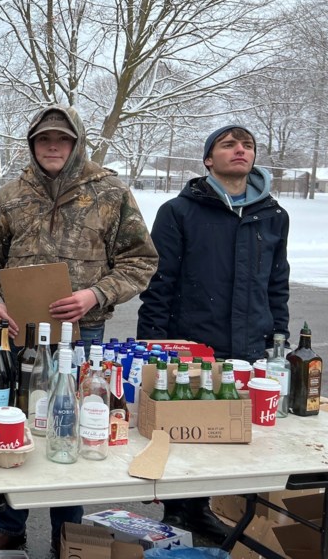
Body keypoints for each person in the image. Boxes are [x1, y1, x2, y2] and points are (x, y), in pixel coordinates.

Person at [0, 105, 158, 553]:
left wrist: (97, 294)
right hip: (17, 334)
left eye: (62, 139)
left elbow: (141, 260)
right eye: (43, 140)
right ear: (32, 145)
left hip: (81, 335)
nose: (53, 147)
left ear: (76, 144)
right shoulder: (8, 198)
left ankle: (65, 532)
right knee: (11, 422)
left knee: (67, 427)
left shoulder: (110, 193)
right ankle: (8, 525)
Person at [137, 125, 289, 543]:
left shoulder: (273, 215)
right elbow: (159, 282)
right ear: (208, 159)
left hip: (251, 345)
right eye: (228, 144)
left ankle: (202, 508)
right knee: (183, 432)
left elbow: (277, 282)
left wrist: (279, 337)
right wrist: (152, 343)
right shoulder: (179, 211)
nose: (240, 150)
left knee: (233, 436)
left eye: (248, 145)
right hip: (193, 344)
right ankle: (175, 512)